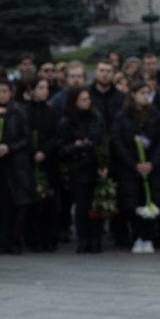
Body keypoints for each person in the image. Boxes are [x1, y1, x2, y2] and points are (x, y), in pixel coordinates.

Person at [50, 85, 108, 255]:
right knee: (82, 206)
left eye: (88, 99)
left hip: (95, 166)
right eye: (83, 99)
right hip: (77, 168)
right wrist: (75, 146)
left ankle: (96, 239)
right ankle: (84, 240)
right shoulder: (66, 121)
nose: (87, 102)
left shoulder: (96, 118)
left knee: (96, 205)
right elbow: (60, 147)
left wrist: (104, 164)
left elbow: (103, 141)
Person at [114, 82, 160, 255]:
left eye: (147, 92)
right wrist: (134, 164)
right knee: (133, 203)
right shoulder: (122, 117)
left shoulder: (155, 115)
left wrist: (152, 163)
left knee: (150, 202)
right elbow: (118, 142)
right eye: (142, 92)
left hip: (151, 166)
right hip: (131, 168)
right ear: (133, 95)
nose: (145, 96)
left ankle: (149, 237)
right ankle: (136, 236)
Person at [0, 76, 35, 255]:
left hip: (16, 165)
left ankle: (15, 240)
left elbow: (26, 139)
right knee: (1, 204)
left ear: (11, 93)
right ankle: (2, 240)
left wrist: (10, 147)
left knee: (18, 204)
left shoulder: (18, 112)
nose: (1, 95)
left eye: (4, 91)